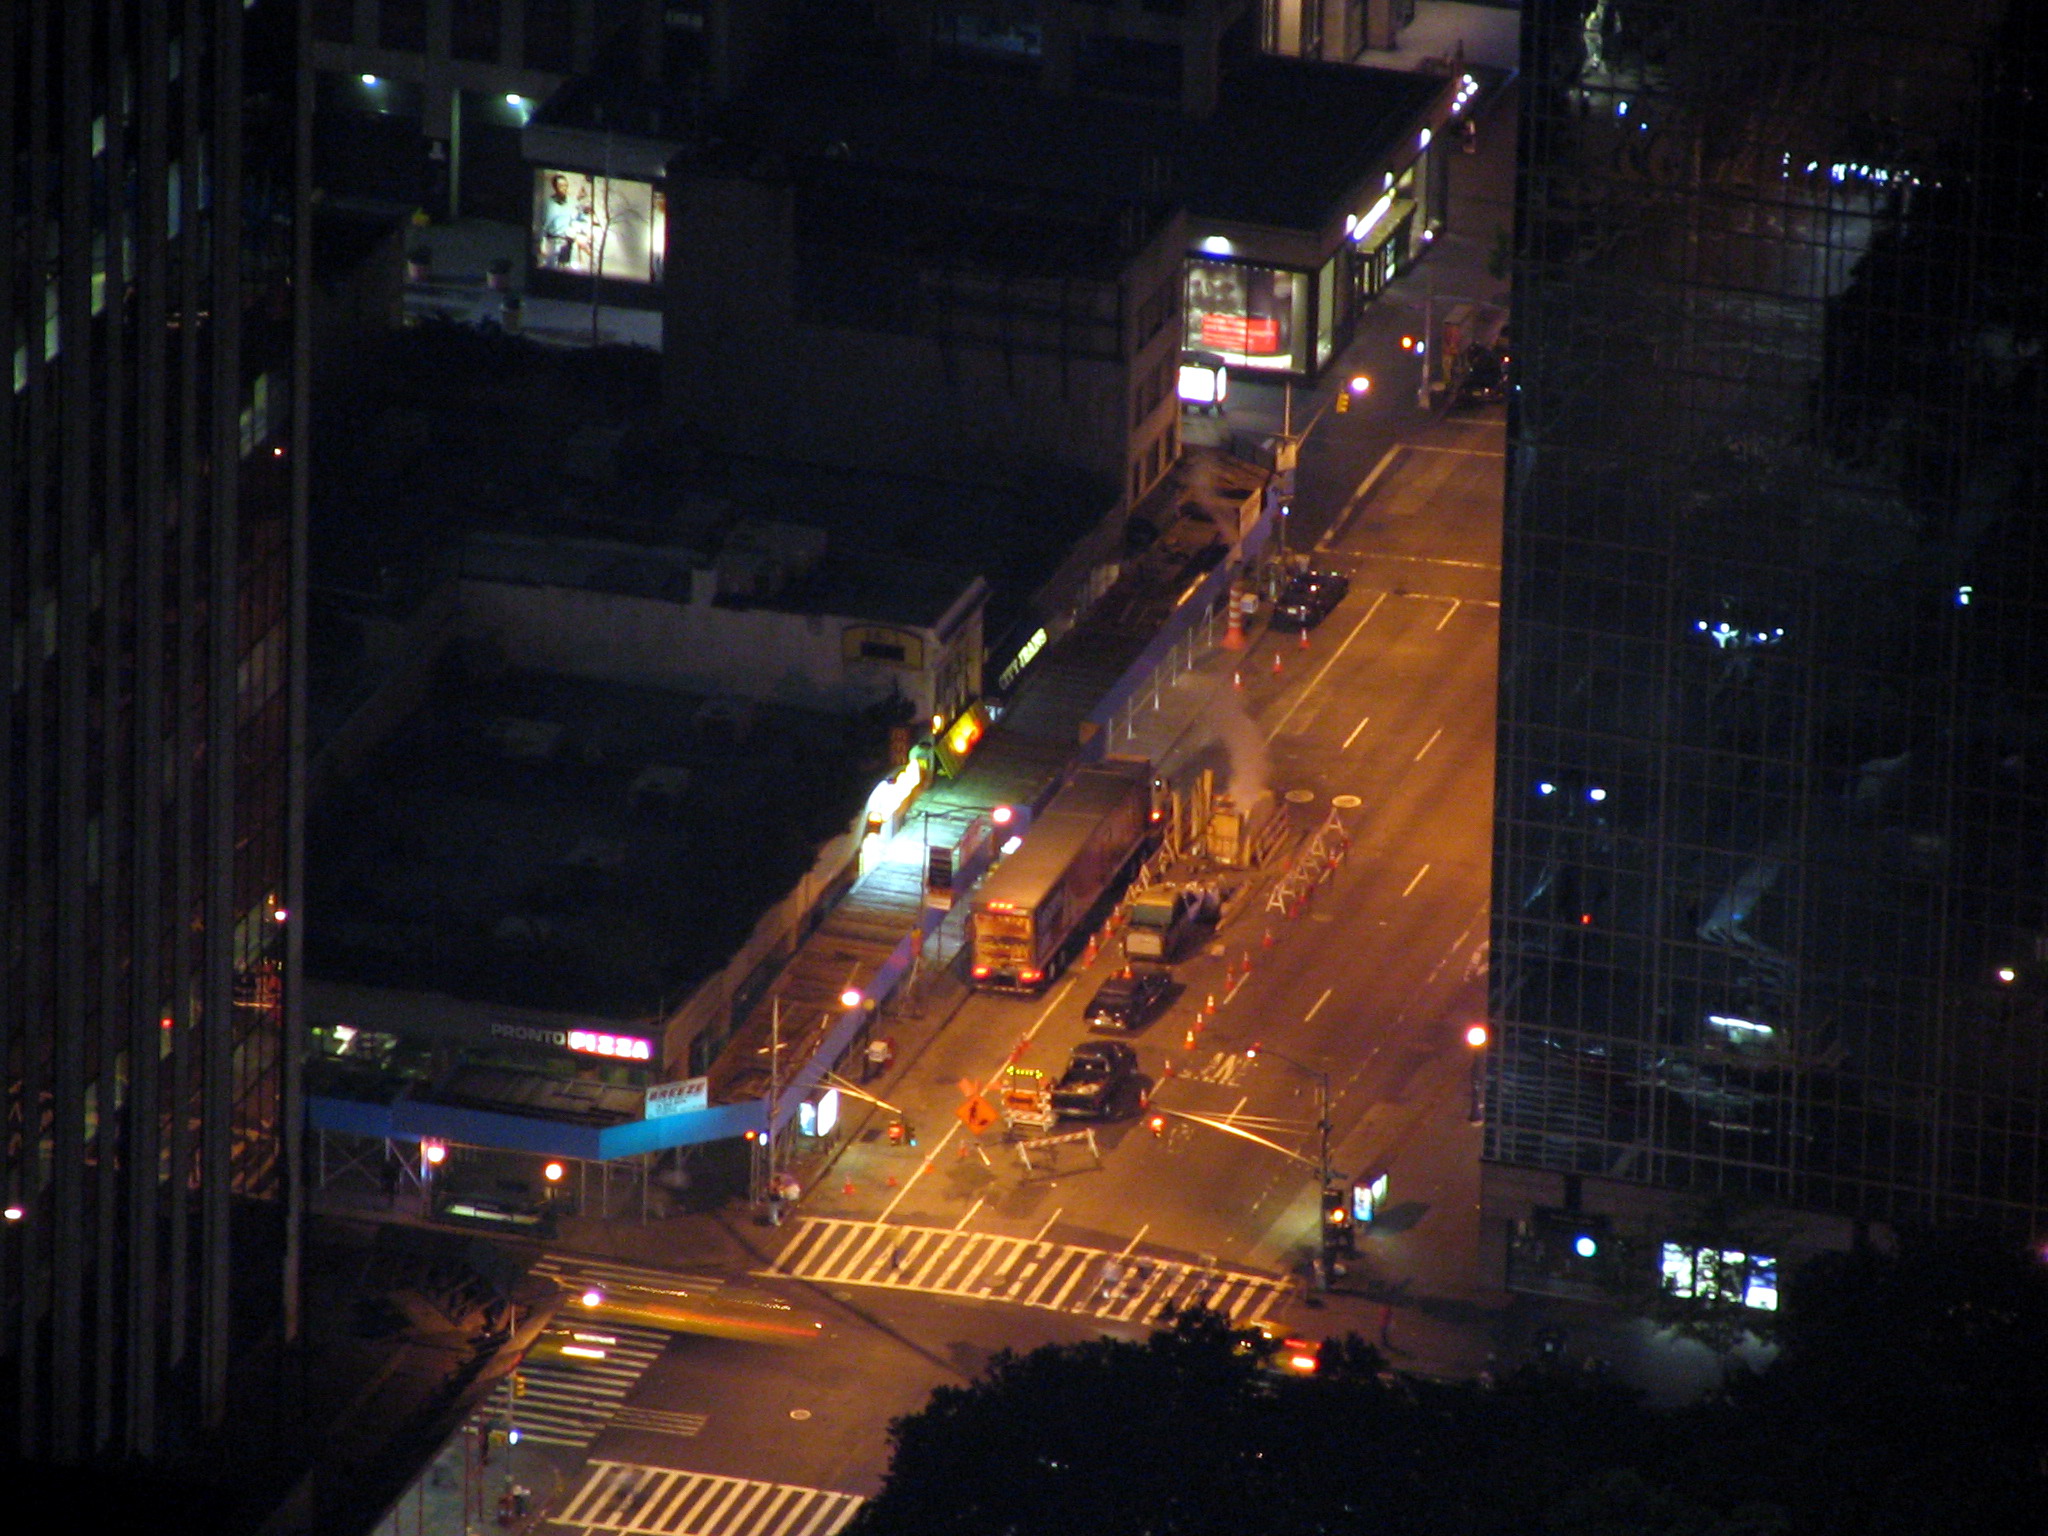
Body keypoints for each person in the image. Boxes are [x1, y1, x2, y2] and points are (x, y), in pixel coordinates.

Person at [539, 173, 587, 269]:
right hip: (552, 242)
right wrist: (542, 242)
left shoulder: (572, 202)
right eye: (561, 186)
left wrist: (576, 229)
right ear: (555, 187)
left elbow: (580, 218)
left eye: (565, 185)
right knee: (551, 269)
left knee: (571, 270)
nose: (564, 188)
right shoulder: (548, 203)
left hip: (568, 242)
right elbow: (543, 225)